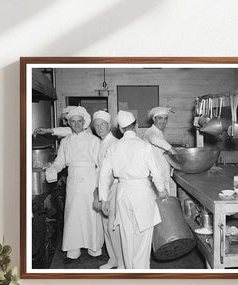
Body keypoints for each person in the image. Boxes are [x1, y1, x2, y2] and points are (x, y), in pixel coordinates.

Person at [99, 110, 167, 269]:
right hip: (142, 193)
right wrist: (161, 190)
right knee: (143, 236)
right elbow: (156, 172)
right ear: (135, 126)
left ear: (121, 129)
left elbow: (103, 175)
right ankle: (141, 272)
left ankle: (130, 271)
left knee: (127, 235)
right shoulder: (144, 146)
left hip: (122, 193)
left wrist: (104, 199)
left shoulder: (113, 148)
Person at [45, 106, 104, 264]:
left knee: (91, 213)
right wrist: (53, 169)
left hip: (90, 180)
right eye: (73, 121)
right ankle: (73, 250)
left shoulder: (94, 141)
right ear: (69, 123)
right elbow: (60, 162)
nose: (77, 124)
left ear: (84, 122)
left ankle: (94, 247)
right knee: (73, 215)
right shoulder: (65, 142)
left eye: (79, 121)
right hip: (73, 182)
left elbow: (101, 164)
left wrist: (100, 186)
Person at [92, 110, 124, 270]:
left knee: (114, 226)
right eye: (96, 125)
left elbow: (111, 173)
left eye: (102, 124)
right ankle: (113, 259)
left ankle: (122, 263)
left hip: (114, 189)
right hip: (104, 189)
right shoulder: (101, 142)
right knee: (106, 225)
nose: (99, 128)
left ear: (109, 125)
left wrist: (103, 195)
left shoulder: (114, 143)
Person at [143, 106, 177, 196]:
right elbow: (155, 140)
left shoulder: (159, 132)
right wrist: (172, 150)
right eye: (160, 118)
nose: (163, 121)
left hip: (162, 174)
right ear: (154, 119)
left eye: (166, 118)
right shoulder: (150, 132)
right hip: (155, 177)